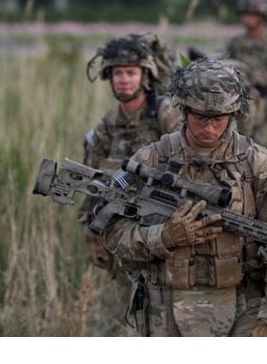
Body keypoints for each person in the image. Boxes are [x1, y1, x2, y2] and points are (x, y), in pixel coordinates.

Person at [101, 58, 267, 337]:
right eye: (200, 117)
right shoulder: (150, 159)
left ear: (233, 114)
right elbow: (113, 232)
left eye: (218, 119)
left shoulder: (258, 164)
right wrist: (163, 237)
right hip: (161, 306)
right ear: (184, 111)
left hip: (242, 304)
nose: (208, 128)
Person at [79, 33, 181, 334]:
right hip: (124, 239)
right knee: (135, 320)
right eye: (118, 73)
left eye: (131, 73)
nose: (124, 80)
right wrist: (92, 230)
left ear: (146, 76)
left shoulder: (165, 114)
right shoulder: (108, 124)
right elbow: (92, 180)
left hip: (165, 234)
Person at [224, 0, 267, 142]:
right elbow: (224, 61)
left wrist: (255, 77)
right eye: (244, 14)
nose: (246, 18)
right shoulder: (236, 42)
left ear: (262, 16)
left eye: (251, 14)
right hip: (243, 100)